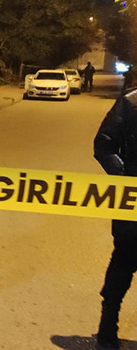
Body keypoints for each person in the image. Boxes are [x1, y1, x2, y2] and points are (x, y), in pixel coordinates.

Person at [93, 88, 137, 349]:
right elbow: (104, 144)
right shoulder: (131, 103)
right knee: (122, 264)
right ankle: (107, 329)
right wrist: (126, 184)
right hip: (132, 206)